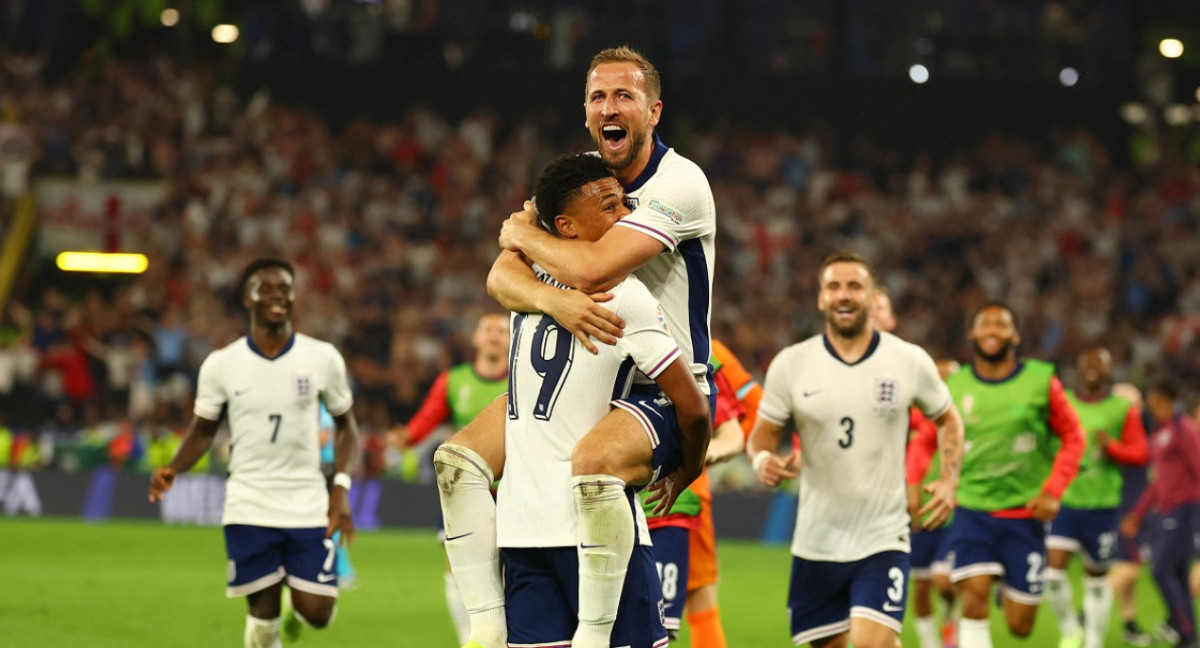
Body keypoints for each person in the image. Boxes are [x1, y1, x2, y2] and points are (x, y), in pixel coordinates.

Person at [435, 45, 716, 648]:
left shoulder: (681, 183)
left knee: (594, 462)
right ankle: (483, 627)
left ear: (654, 110)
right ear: (586, 111)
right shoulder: (585, 178)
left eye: (625, 96)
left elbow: (592, 270)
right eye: (598, 96)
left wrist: (525, 239)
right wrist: (556, 299)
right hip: (581, 372)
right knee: (458, 463)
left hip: (660, 383)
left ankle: (595, 634)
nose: (610, 107)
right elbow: (500, 278)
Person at [493, 152, 711, 648]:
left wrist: (524, 236)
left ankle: (483, 623)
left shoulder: (520, 288)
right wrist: (688, 467)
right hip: (596, 527)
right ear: (566, 226)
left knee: (456, 461)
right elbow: (694, 407)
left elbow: (498, 275)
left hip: (521, 527)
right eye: (611, 207)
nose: (627, 217)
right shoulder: (623, 296)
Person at [746, 252, 965, 648]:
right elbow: (762, 434)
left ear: (870, 296)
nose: (843, 295)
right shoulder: (792, 364)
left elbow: (949, 419)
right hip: (816, 542)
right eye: (834, 287)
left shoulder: (907, 360)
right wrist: (763, 460)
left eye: (854, 286)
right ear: (820, 299)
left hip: (882, 538)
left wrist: (950, 480)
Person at [148, 258, 359, 648]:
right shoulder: (221, 365)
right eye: (267, 289)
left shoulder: (322, 358)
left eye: (285, 289)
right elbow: (202, 431)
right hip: (249, 502)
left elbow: (349, 429)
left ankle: (295, 597)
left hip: (307, 501)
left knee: (318, 615)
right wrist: (173, 468)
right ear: (248, 298)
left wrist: (340, 489)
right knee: (263, 624)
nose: (278, 297)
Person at [945, 301, 1085, 648]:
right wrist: (932, 482)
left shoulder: (1041, 380)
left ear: (1015, 335)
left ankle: (1005, 584)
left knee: (1020, 627)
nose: (992, 331)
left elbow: (1073, 437)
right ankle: (987, 579)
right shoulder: (955, 385)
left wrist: (1053, 491)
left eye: (1001, 324)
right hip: (972, 511)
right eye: (985, 324)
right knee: (973, 599)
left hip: (1025, 516)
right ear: (972, 334)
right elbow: (930, 435)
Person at [390, 313, 509, 646]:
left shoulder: (521, 379)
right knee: (458, 567)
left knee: (511, 571)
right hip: (467, 492)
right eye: (488, 328)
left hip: (512, 491)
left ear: (513, 340)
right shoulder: (453, 381)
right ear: (475, 338)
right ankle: (467, 638)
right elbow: (428, 418)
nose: (495, 335)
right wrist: (408, 436)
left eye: (502, 330)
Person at [1042, 348, 1148, 648]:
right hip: (1066, 502)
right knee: (1051, 574)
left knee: (1097, 579)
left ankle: (1093, 642)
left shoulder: (1121, 408)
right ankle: (1070, 630)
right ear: (1076, 368)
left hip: (1101, 506)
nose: (1092, 368)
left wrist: (1112, 447)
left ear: (1109, 370)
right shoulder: (1064, 404)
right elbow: (1048, 443)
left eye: (1099, 364)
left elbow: (1140, 452)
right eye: (1087, 363)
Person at [1120, 378, 1200, 648]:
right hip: (1166, 511)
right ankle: (1188, 634)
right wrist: (1138, 513)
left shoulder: (1183, 428)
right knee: (1176, 573)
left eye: (1153, 401)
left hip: (1185, 509)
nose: (1151, 406)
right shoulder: (1158, 433)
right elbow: (1157, 482)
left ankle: (1180, 626)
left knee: (1160, 569)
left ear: (1166, 400)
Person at [905, 358, 962, 648]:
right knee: (922, 585)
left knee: (944, 581)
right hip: (918, 511)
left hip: (953, 513)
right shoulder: (913, 416)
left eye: (947, 379)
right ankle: (931, 644)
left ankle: (951, 616)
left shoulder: (963, 420)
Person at [1107, 382, 1155, 647]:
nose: (1137, 411)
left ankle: (1130, 623)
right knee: (1131, 568)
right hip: (1128, 511)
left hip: (1133, 509)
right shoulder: (1118, 438)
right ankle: (1088, 614)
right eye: (1132, 406)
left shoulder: (1126, 436)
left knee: (1128, 565)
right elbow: (1140, 455)